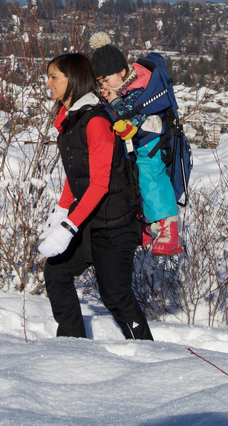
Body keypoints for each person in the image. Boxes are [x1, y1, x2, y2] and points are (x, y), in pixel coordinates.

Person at [38, 53, 153, 340]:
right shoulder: (70, 120)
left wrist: (68, 226)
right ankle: (72, 344)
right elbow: (77, 174)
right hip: (90, 218)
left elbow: (100, 183)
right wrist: (61, 211)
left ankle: (147, 352)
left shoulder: (96, 121)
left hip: (115, 225)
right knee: (56, 274)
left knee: (116, 296)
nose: (48, 83)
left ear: (72, 79)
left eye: (54, 77)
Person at [89, 32, 182, 256]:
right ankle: (150, 226)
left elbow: (129, 112)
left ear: (122, 72)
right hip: (137, 143)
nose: (104, 85)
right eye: (100, 82)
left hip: (152, 143)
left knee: (151, 177)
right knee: (135, 181)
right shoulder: (121, 86)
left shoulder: (138, 88)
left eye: (107, 80)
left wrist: (112, 100)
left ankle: (169, 227)